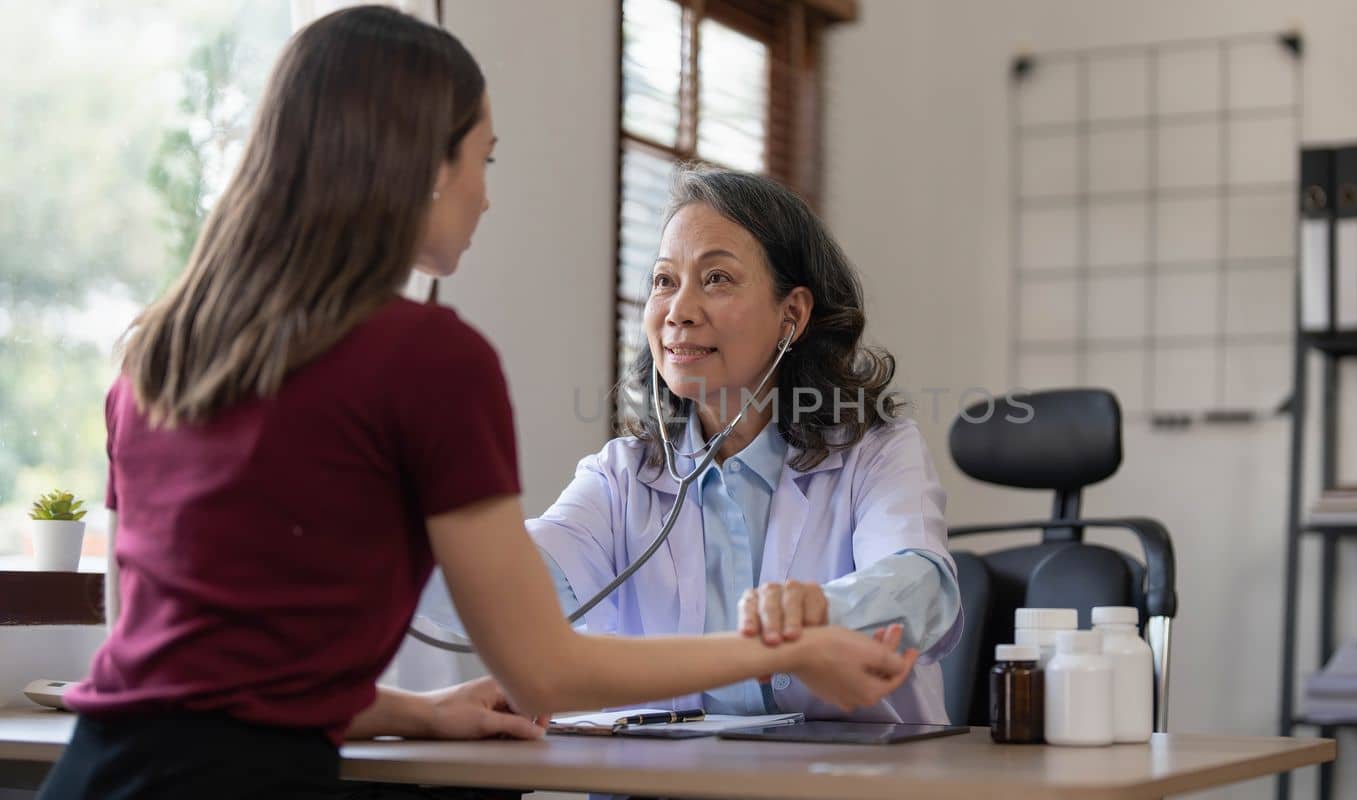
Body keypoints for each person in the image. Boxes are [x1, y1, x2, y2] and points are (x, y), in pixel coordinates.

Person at [37, 8, 914, 800]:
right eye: (481, 159)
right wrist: (795, 649)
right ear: (420, 163)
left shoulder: (157, 350)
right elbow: (541, 668)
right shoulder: (430, 359)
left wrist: (416, 714)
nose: (485, 194)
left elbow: (174, 668)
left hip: (97, 774)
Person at [422, 166, 962, 724]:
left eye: (717, 279)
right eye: (663, 281)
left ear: (792, 315)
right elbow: (514, 590)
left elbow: (923, 587)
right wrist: (385, 540)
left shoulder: (873, 453)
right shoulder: (623, 476)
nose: (678, 310)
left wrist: (824, 611)